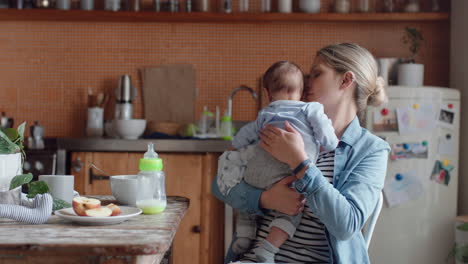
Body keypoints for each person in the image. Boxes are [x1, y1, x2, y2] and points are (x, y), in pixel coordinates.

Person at [212, 43, 390, 264]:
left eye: (316, 74)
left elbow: (347, 225)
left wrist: (299, 162)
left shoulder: (370, 150)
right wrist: (264, 199)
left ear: (345, 80)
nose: (306, 82)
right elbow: (218, 186)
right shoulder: (284, 124)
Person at [216, 61, 338, 263]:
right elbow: (328, 139)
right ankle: (268, 250)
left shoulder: (265, 113)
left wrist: (235, 146)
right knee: (290, 209)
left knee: (243, 185)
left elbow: (247, 133)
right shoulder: (310, 109)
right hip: (289, 173)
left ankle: (245, 232)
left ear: (267, 93)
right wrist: (331, 143)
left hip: (257, 170)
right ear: (302, 91)